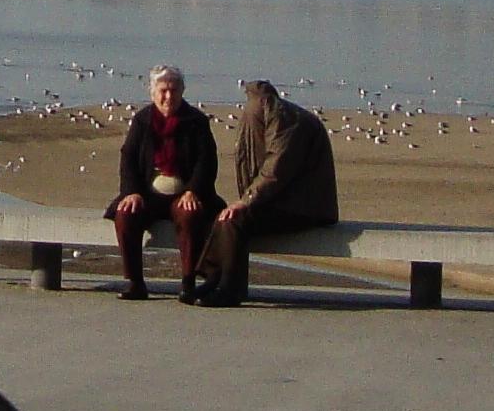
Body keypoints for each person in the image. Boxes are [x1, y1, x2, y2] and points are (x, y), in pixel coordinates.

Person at [198, 78, 341, 307]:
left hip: (304, 207)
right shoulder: (279, 115)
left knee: (234, 221)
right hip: (287, 201)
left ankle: (229, 288)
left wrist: (247, 200)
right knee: (225, 217)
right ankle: (215, 277)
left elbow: (277, 168)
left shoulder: (287, 122)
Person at [106, 64, 226, 304]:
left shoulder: (196, 121)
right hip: (148, 193)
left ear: (182, 91)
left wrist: (193, 190)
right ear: (153, 93)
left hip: (185, 192)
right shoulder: (142, 120)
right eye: (163, 90)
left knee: (190, 215)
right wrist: (131, 193)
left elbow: (207, 161)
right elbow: (128, 157)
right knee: (125, 214)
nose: (168, 96)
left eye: (174, 90)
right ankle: (135, 283)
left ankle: (188, 283)